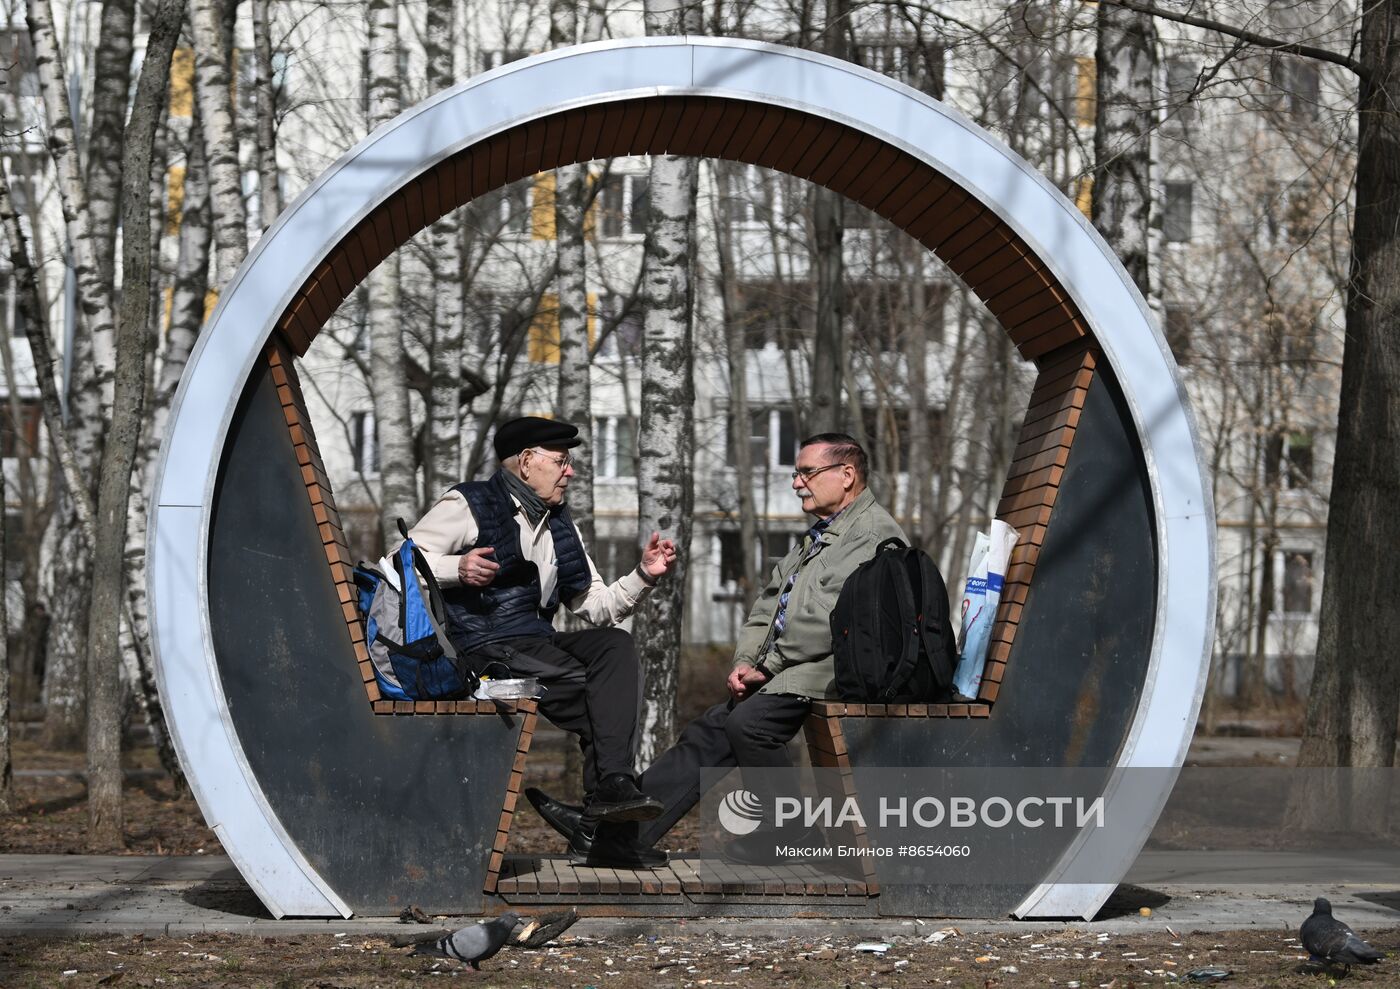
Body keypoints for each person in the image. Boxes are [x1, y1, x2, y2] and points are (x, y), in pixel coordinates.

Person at [527, 432, 907, 866]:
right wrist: (747, 660)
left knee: (749, 724)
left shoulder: (870, 535)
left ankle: (794, 831)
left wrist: (769, 665)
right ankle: (612, 834)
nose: (797, 483)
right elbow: (767, 606)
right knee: (712, 729)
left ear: (847, 475)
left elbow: (828, 620)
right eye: (796, 473)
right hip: (796, 668)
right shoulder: (822, 536)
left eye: (806, 472)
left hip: (839, 669)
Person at [406, 416, 678, 863]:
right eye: (562, 461)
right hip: (484, 648)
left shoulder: (558, 523)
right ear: (528, 462)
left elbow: (596, 604)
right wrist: (458, 569)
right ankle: (601, 830)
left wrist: (644, 575)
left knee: (615, 648)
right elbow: (400, 562)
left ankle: (598, 820)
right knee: (604, 704)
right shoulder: (468, 503)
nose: (570, 471)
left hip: (536, 645)